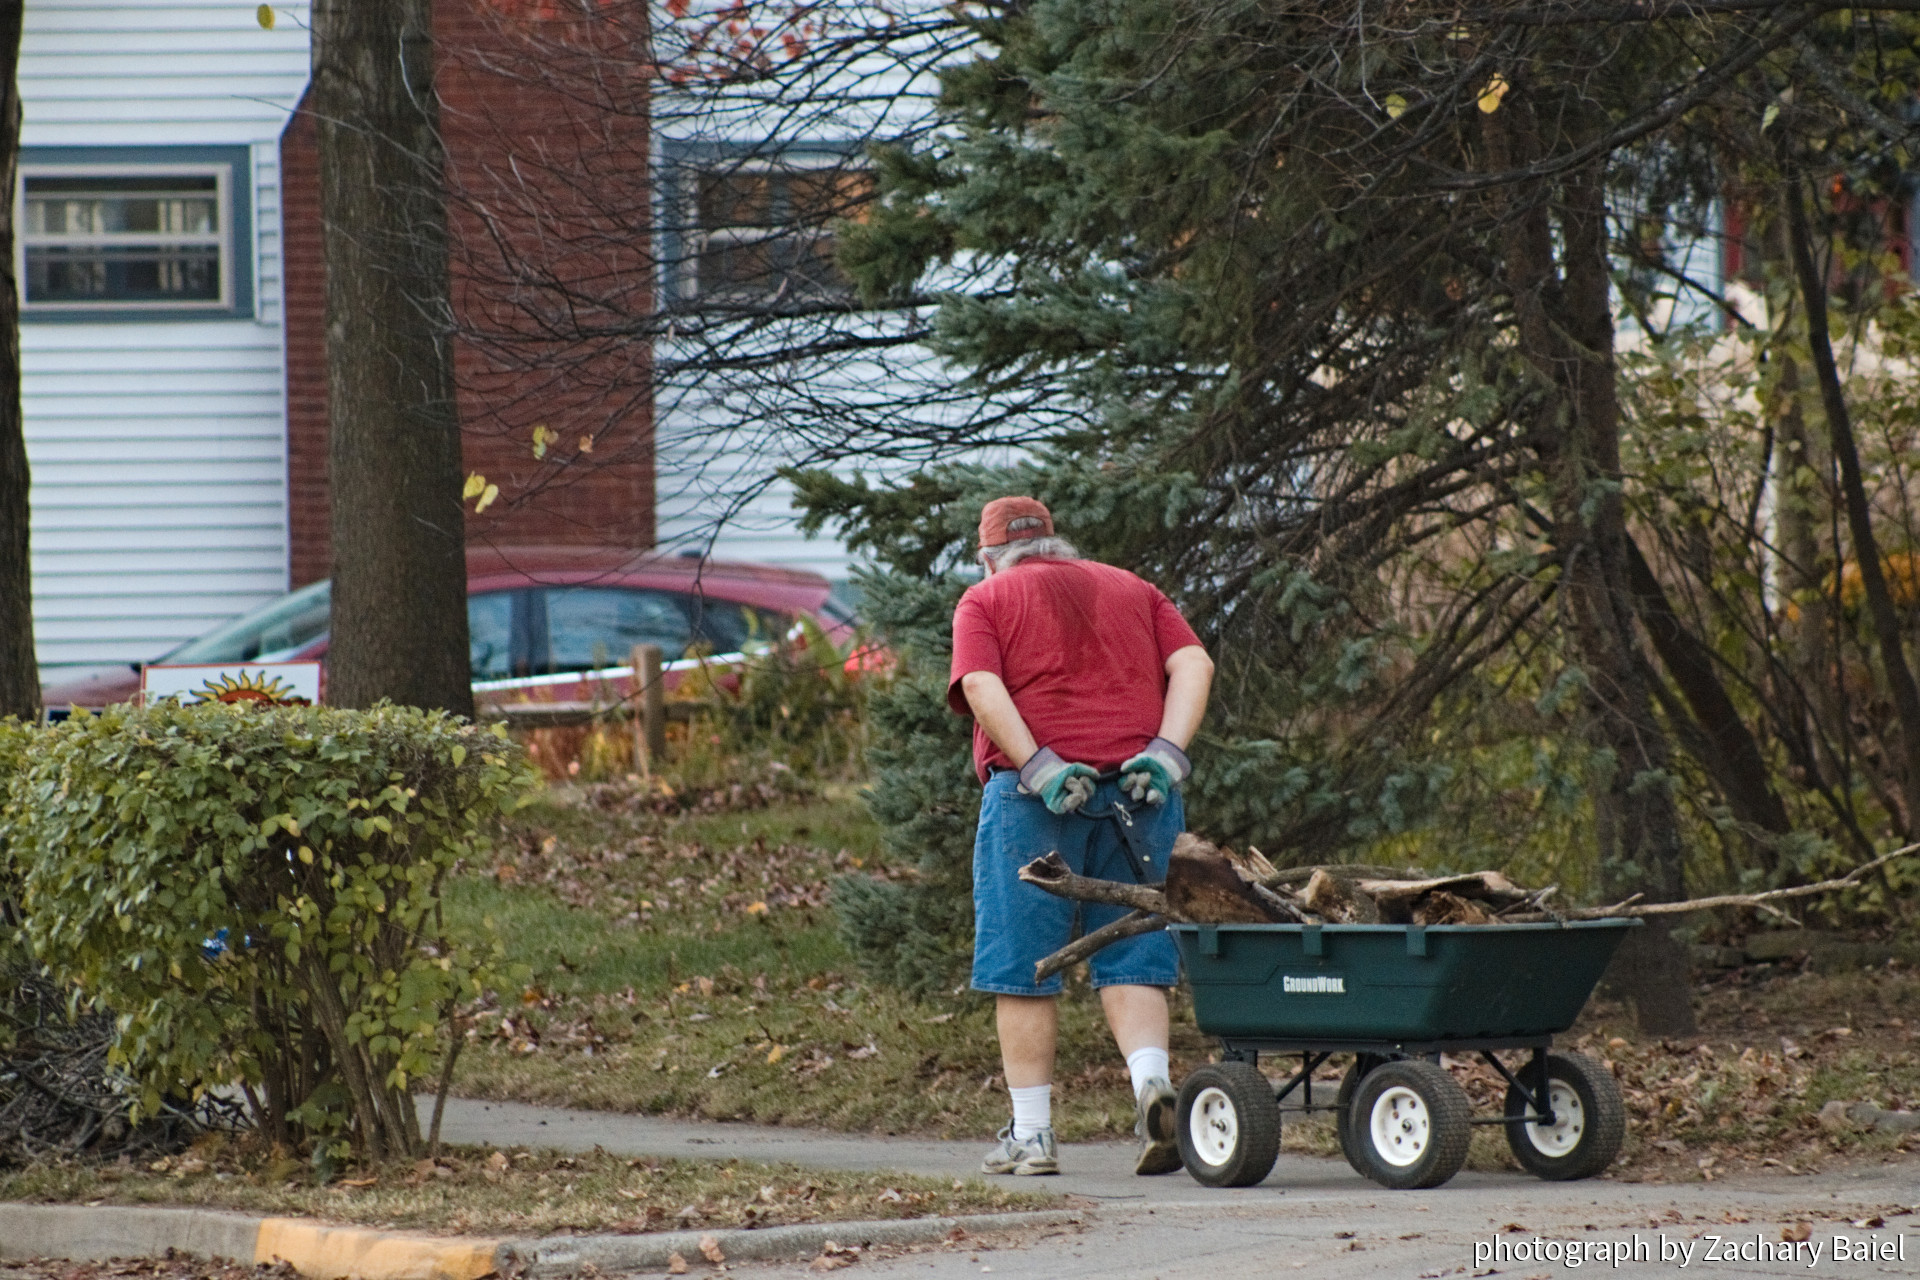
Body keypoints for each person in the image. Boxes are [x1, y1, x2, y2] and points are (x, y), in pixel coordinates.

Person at [949, 496, 1214, 1177]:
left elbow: (979, 684)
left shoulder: (986, 601)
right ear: (1056, 542)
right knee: (1133, 947)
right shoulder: (1135, 589)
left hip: (1035, 800)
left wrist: (1038, 766)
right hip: (1138, 795)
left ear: (988, 557)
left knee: (1025, 963)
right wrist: (1167, 755)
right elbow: (1195, 666)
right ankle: (1151, 1087)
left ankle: (1032, 1136)